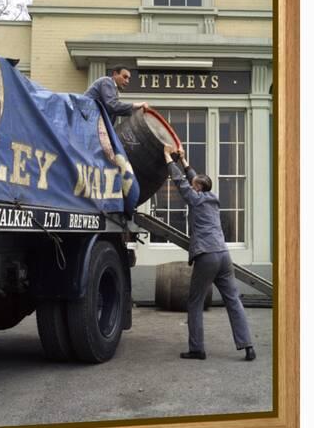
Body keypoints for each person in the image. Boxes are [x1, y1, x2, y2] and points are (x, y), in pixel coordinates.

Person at [163, 144, 256, 362]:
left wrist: (168, 157)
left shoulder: (194, 198)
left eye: (194, 185)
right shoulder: (211, 197)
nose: (192, 184)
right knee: (233, 299)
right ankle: (248, 345)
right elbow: (195, 178)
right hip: (223, 255)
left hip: (207, 255)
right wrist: (184, 161)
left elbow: (180, 181)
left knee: (194, 301)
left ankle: (197, 349)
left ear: (197, 189)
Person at [84, 66, 149, 124]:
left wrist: (136, 110)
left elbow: (116, 110)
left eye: (128, 78)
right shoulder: (107, 81)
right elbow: (112, 106)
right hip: (88, 122)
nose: (127, 81)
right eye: (125, 77)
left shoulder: (113, 88)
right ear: (115, 74)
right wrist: (135, 105)